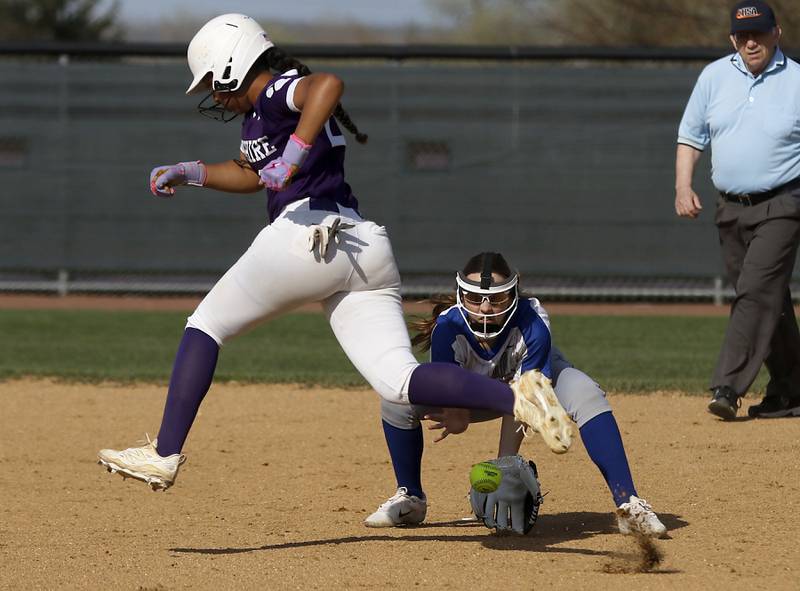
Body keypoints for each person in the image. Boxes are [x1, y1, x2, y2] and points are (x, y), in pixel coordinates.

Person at [96, 14, 570, 491]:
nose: (213, 96)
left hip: (307, 235)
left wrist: (295, 153)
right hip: (362, 249)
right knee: (399, 383)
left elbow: (327, 84)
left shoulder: (278, 89)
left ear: (233, 66)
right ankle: (520, 398)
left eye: (213, 83)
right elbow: (250, 171)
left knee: (206, 326)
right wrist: (191, 171)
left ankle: (164, 453)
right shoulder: (259, 117)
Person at [364, 252, 667, 538]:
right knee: (395, 401)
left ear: (512, 293)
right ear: (460, 294)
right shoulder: (448, 327)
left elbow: (525, 399)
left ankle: (630, 505)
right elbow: (449, 393)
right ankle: (411, 498)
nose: (485, 308)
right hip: (474, 394)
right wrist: (455, 413)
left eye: (495, 299)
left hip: (531, 390)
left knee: (586, 393)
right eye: (474, 298)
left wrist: (504, 468)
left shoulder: (533, 321)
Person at [675, 0, 800, 420]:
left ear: (776, 33)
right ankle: (792, 390)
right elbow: (690, 137)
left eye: (760, 33)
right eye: (743, 35)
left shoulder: (798, 80)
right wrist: (682, 185)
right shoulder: (713, 77)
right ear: (732, 38)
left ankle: (727, 385)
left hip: (784, 203)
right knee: (768, 298)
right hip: (730, 209)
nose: (752, 42)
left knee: (755, 292)